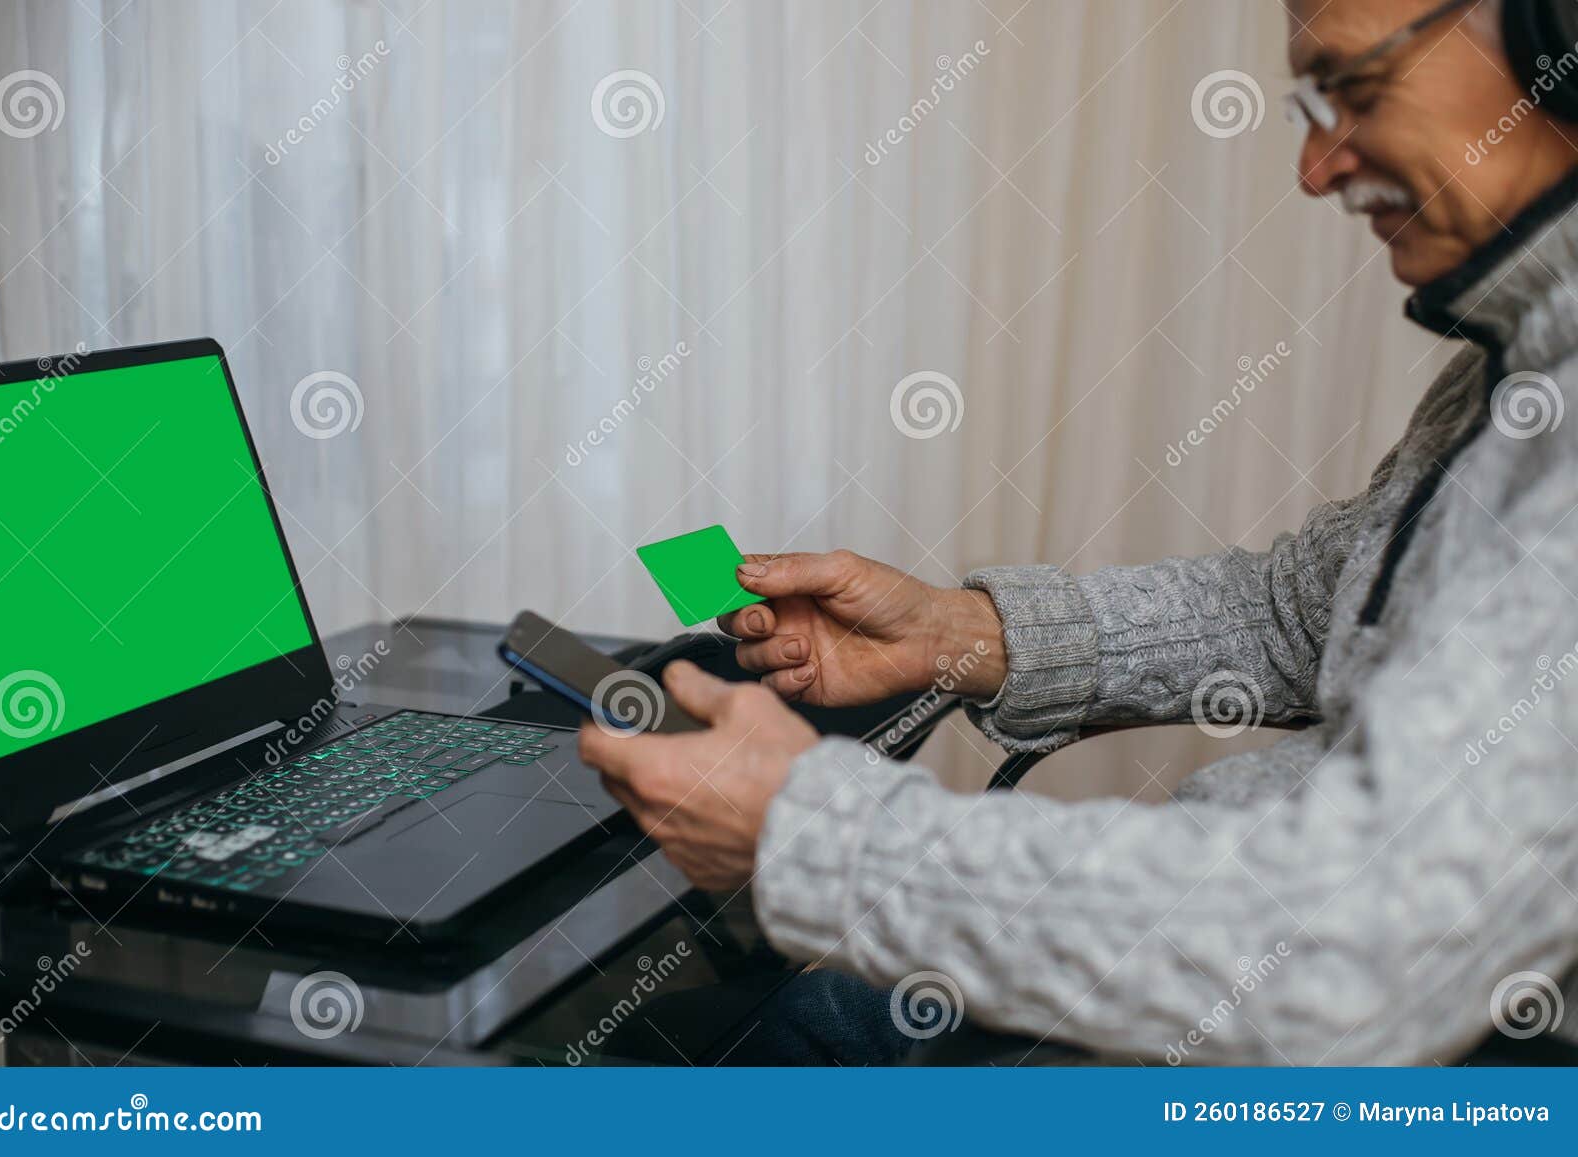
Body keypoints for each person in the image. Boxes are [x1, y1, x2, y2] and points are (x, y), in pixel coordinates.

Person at [580, 0, 1578, 1064]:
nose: (1318, 166)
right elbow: (1302, 618)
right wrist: (955, 635)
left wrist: (816, 836)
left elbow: (1355, 947)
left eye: (1359, 87)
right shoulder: (1509, 361)